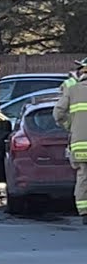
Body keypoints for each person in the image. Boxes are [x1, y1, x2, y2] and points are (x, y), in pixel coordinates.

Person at [53, 57, 87, 225]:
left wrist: (71, 126)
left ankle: (84, 212)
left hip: (80, 144)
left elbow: (58, 114)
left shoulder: (72, 90)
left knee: (83, 177)